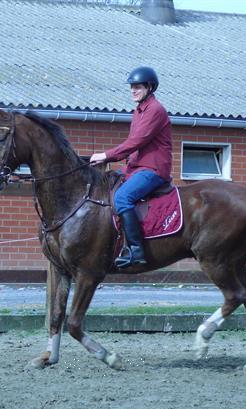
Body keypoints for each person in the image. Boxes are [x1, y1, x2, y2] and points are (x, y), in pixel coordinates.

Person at [90, 66, 172, 269]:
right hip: (136, 168)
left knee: (122, 197)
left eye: (138, 87)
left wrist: (106, 155)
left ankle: (136, 251)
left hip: (152, 170)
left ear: (150, 87)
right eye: (131, 87)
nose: (133, 91)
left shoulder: (155, 111)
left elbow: (136, 141)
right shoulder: (138, 111)